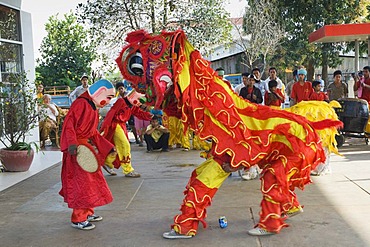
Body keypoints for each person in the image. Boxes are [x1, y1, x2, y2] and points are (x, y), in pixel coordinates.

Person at [59, 79, 117, 230]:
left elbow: (93, 133)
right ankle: (78, 218)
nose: (108, 101)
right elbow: (69, 125)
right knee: (82, 184)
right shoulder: (81, 103)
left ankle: (88, 211)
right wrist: (72, 144)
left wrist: (106, 146)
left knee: (91, 182)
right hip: (77, 150)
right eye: (109, 97)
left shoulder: (92, 106)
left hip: (85, 148)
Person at [100, 82, 152, 177]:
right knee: (125, 145)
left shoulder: (132, 106)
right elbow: (111, 114)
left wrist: (151, 116)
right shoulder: (121, 102)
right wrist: (105, 127)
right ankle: (128, 170)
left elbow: (139, 113)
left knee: (119, 147)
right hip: (115, 125)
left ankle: (107, 162)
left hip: (122, 126)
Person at [353, 66, 370, 134]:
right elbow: (355, 89)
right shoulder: (361, 80)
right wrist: (355, 81)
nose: (364, 73)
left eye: (366, 72)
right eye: (364, 72)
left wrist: (365, 85)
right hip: (361, 102)